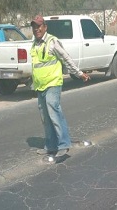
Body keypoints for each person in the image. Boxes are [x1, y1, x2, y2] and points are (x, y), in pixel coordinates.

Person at [30, 15, 90, 159]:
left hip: (53, 83)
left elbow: (66, 58)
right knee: (45, 117)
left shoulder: (52, 41)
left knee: (54, 111)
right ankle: (50, 145)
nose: (36, 29)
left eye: (38, 26)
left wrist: (79, 73)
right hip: (40, 86)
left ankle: (63, 144)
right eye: (34, 27)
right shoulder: (34, 44)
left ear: (45, 27)